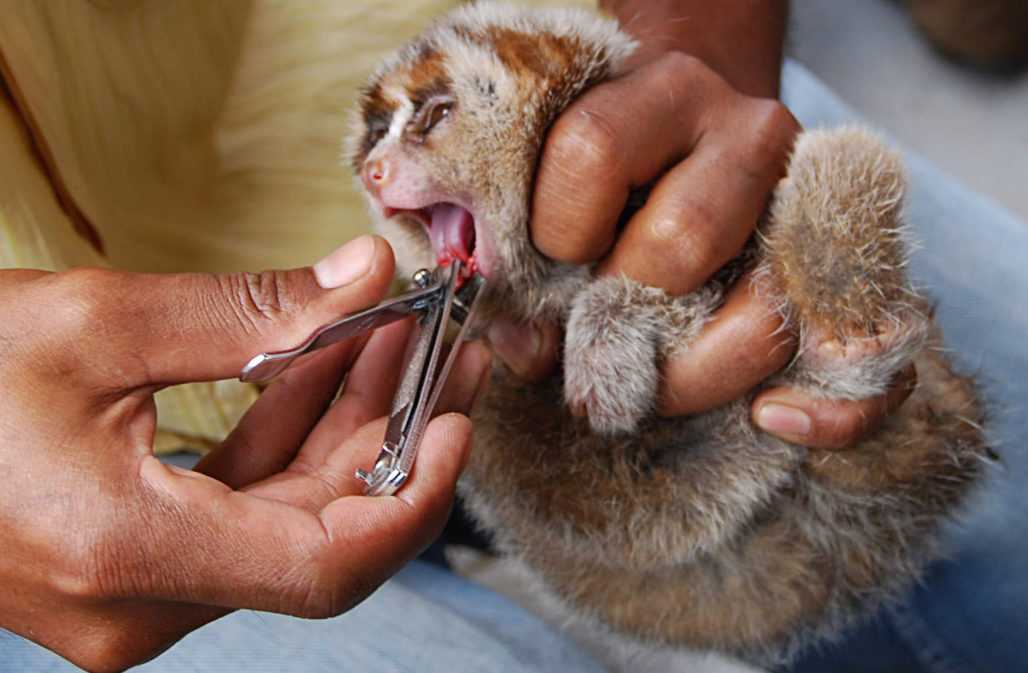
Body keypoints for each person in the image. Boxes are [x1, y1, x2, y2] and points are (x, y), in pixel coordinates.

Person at [0, 1, 1023, 672]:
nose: (380, 172)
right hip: (80, 446)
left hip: (577, 81)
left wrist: (696, 48)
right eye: (380, 149)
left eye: (419, 127)